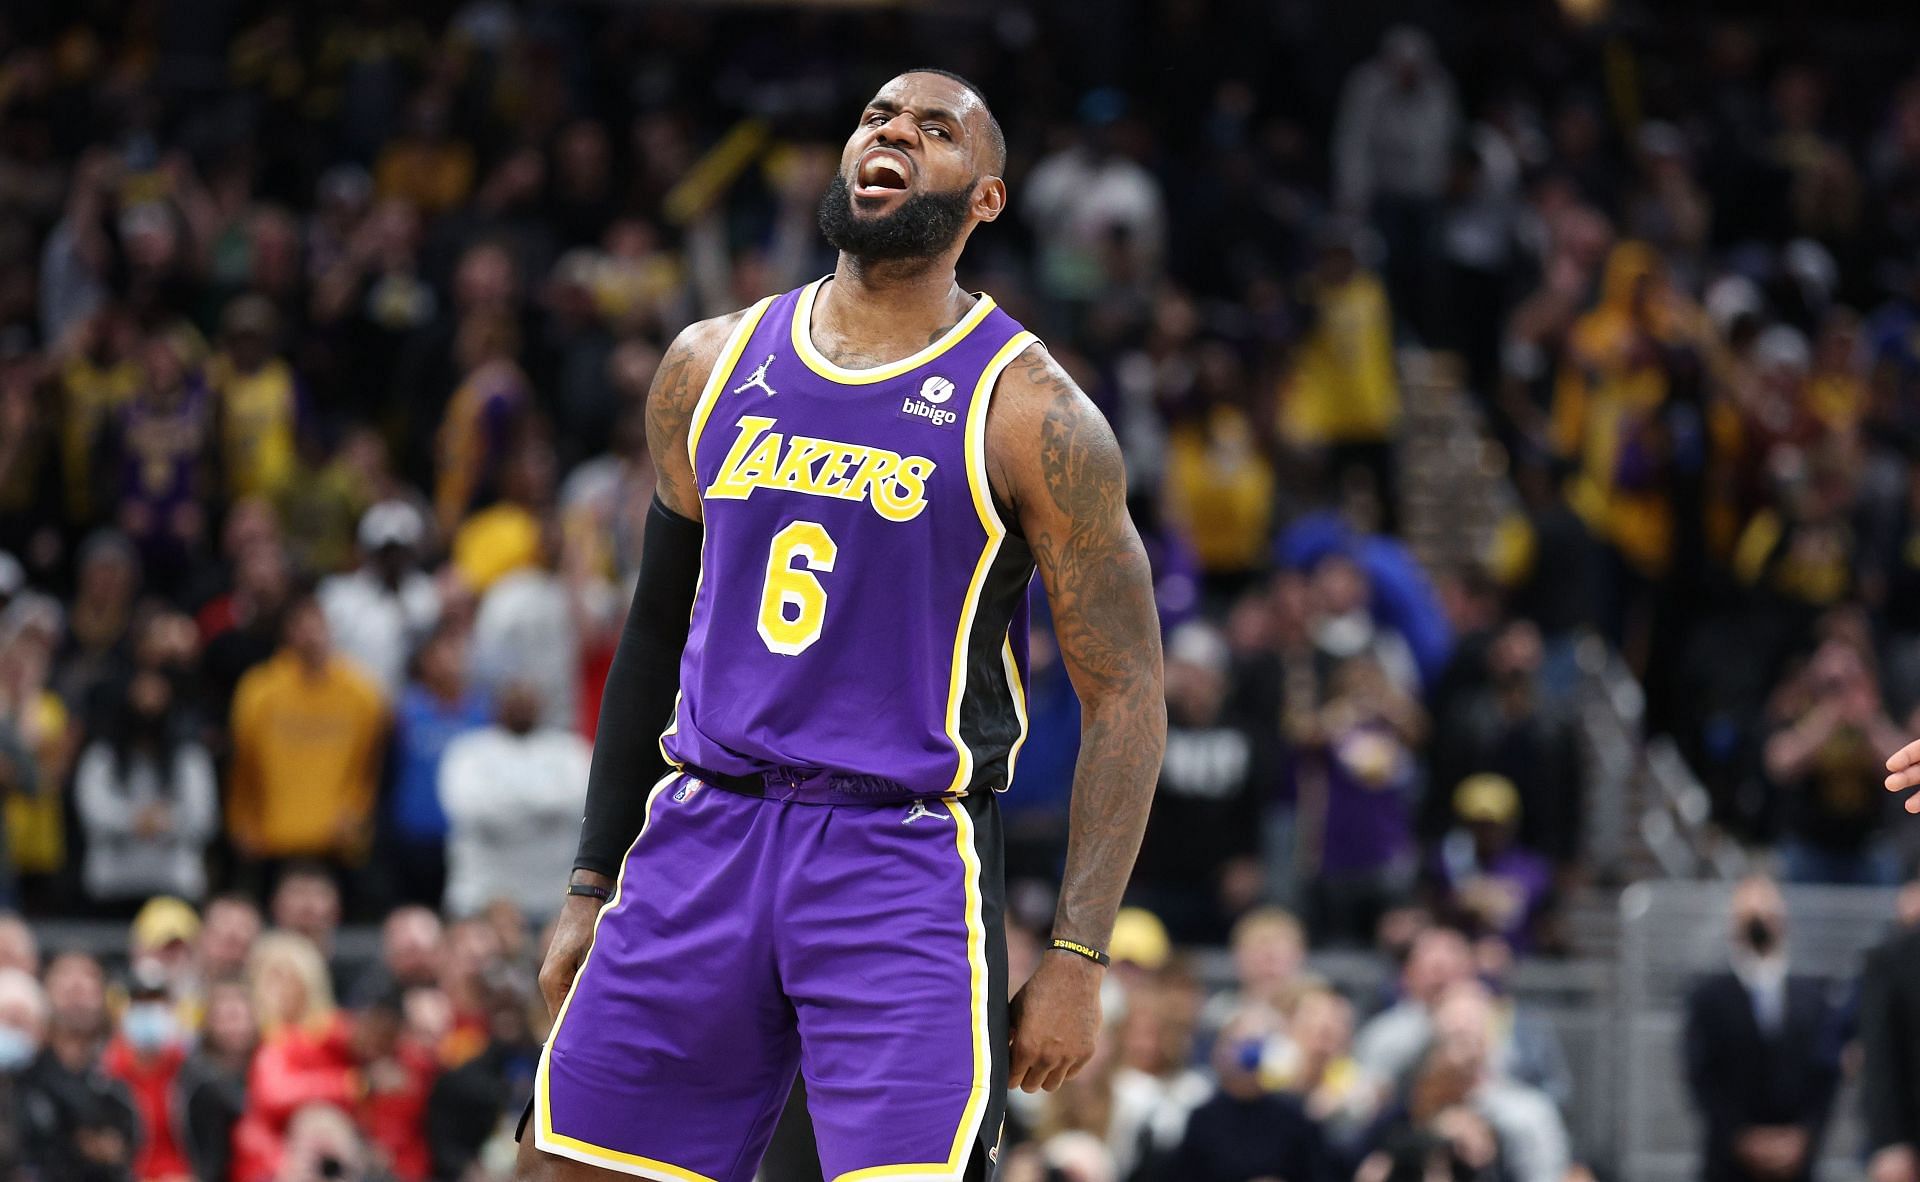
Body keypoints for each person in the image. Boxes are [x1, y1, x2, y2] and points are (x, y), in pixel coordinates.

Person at [524, 68, 1165, 1182]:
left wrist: (1077, 953)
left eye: (935, 130)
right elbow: (653, 633)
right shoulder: (708, 364)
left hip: (898, 855)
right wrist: (590, 880)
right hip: (700, 835)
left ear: (987, 200)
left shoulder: (1035, 412)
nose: (894, 136)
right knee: (567, 1166)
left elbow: (1128, 693)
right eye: (878, 118)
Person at [1683, 876, 1841, 1182]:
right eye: (1749, 917)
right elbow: (1701, 1075)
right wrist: (1742, 1139)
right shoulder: (1708, 997)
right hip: (1727, 1164)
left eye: (1768, 915)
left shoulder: (1812, 996)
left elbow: (1825, 1074)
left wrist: (1802, 1137)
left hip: (1797, 1164)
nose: (1759, 926)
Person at [227, 590, 388, 889]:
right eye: (300, 624)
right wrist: (242, 822)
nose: (310, 633)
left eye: (317, 623)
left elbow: (372, 768)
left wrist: (358, 815)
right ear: (287, 632)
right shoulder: (259, 690)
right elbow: (243, 764)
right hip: (271, 842)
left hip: (337, 843)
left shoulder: (363, 692)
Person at [438, 681, 590, 920]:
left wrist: (506, 801)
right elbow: (468, 809)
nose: (520, 705)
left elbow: (579, 804)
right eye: (513, 698)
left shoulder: (569, 751)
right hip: (481, 897)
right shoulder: (468, 751)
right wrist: (543, 805)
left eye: (526, 698)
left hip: (554, 899)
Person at [73, 666, 219, 903]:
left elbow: (203, 819)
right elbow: (93, 813)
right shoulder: (102, 756)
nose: (149, 706)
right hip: (112, 885)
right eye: (141, 695)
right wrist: (135, 820)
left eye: (157, 696)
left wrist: (165, 820)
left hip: (175, 884)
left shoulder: (190, 757)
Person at [174, 978, 258, 1182]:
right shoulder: (199, 1075)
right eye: (227, 1018)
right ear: (209, 1023)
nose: (235, 1027)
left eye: (241, 1016)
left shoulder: (265, 1062)